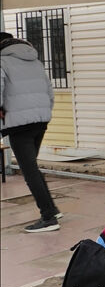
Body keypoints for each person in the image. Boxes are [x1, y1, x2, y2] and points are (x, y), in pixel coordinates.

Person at [0, 33, 61, 232]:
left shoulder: (2, 61)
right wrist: (43, 113)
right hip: (40, 120)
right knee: (32, 167)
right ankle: (51, 208)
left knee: (29, 171)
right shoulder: (35, 61)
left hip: (19, 124)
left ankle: (49, 217)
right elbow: (49, 92)